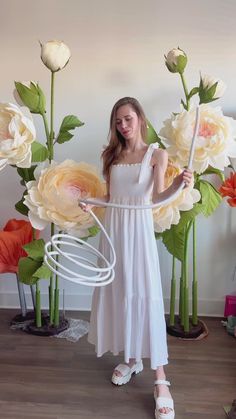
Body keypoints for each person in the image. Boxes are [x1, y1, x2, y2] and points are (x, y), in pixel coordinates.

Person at [80, 97, 192, 419]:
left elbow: (156, 198)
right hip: (114, 234)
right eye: (118, 121)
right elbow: (111, 197)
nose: (123, 126)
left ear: (140, 118)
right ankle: (132, 359)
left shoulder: (156, 154)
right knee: (120, 295)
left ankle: (160, 381)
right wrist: (90, 201)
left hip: (138, 236)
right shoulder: (111, 155)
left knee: (145, 298)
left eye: (128, 119)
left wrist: (177, 184)